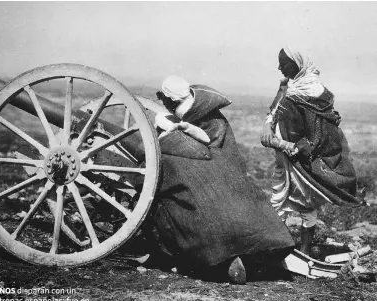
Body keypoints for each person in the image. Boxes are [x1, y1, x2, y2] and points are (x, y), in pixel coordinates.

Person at [138, 75, 295, 284]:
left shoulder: (192, 113)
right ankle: (250, 252)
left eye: (165, 100)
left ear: (171, 100)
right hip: (217, 160)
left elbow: (205, 143)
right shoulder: (198, 107)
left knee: (176, 185)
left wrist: (178, 133)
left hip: (211, 158)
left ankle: (204, 255)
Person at [260, 46, 364, 255]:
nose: (279, 68)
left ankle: (304, 250)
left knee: (306, 202)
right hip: (285, 158)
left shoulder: (313, 92)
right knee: (278, 200)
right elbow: (276, 107)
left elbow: (318, 134)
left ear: (297, 65)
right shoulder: (290, 85)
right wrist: (268, 123)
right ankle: (278, 247)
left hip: (301, 159)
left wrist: (287, 146)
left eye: (284, 63)